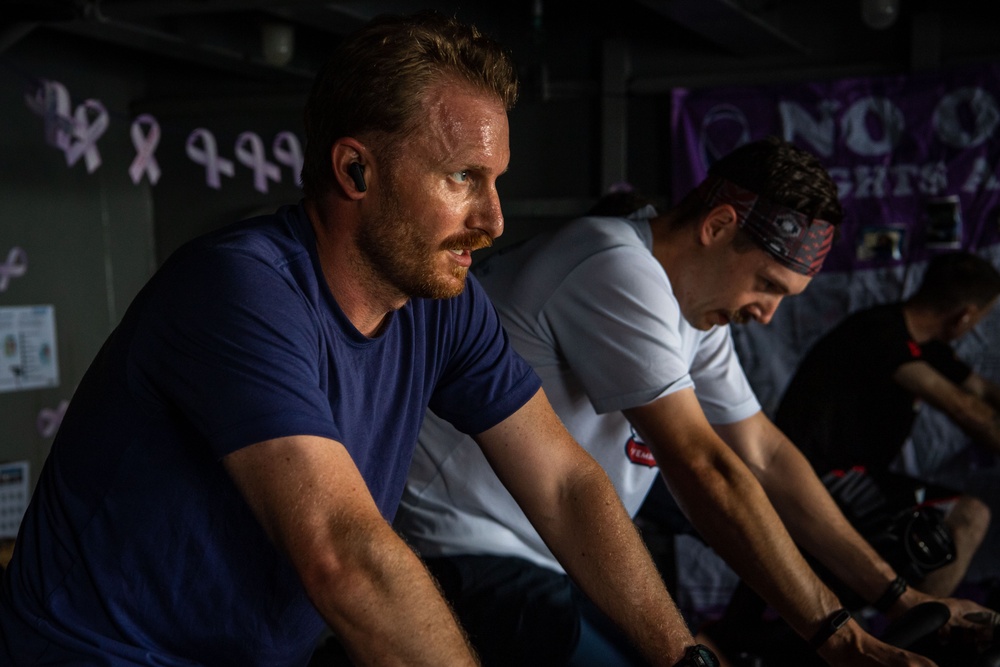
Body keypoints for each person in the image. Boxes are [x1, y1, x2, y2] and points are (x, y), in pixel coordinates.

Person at [0, 13, 706, 667]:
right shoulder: (238, 287)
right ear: (354, 170)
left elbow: (565, 483)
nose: (492, 219)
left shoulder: (441, 302)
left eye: (495, 182)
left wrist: (687, 659)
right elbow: (346, 555)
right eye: (462, 176)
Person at [395, 136, 997, 666]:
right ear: (718, 227)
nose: (767, 314)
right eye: (766, 284)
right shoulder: (613, 265)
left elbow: (764, 452)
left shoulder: (693, 311)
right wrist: (842, 638)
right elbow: (704, 466)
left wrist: (900, 597)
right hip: (461, 550)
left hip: (547, 555)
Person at [774, 251, 1000, 597]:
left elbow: (982, 389)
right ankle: (916, 641)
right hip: (813, 476)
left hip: (854, 475)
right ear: (964, 317)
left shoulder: (926, 346)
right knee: (968, 517)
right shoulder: (881, 333)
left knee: (933, 537)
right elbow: (965, 409)